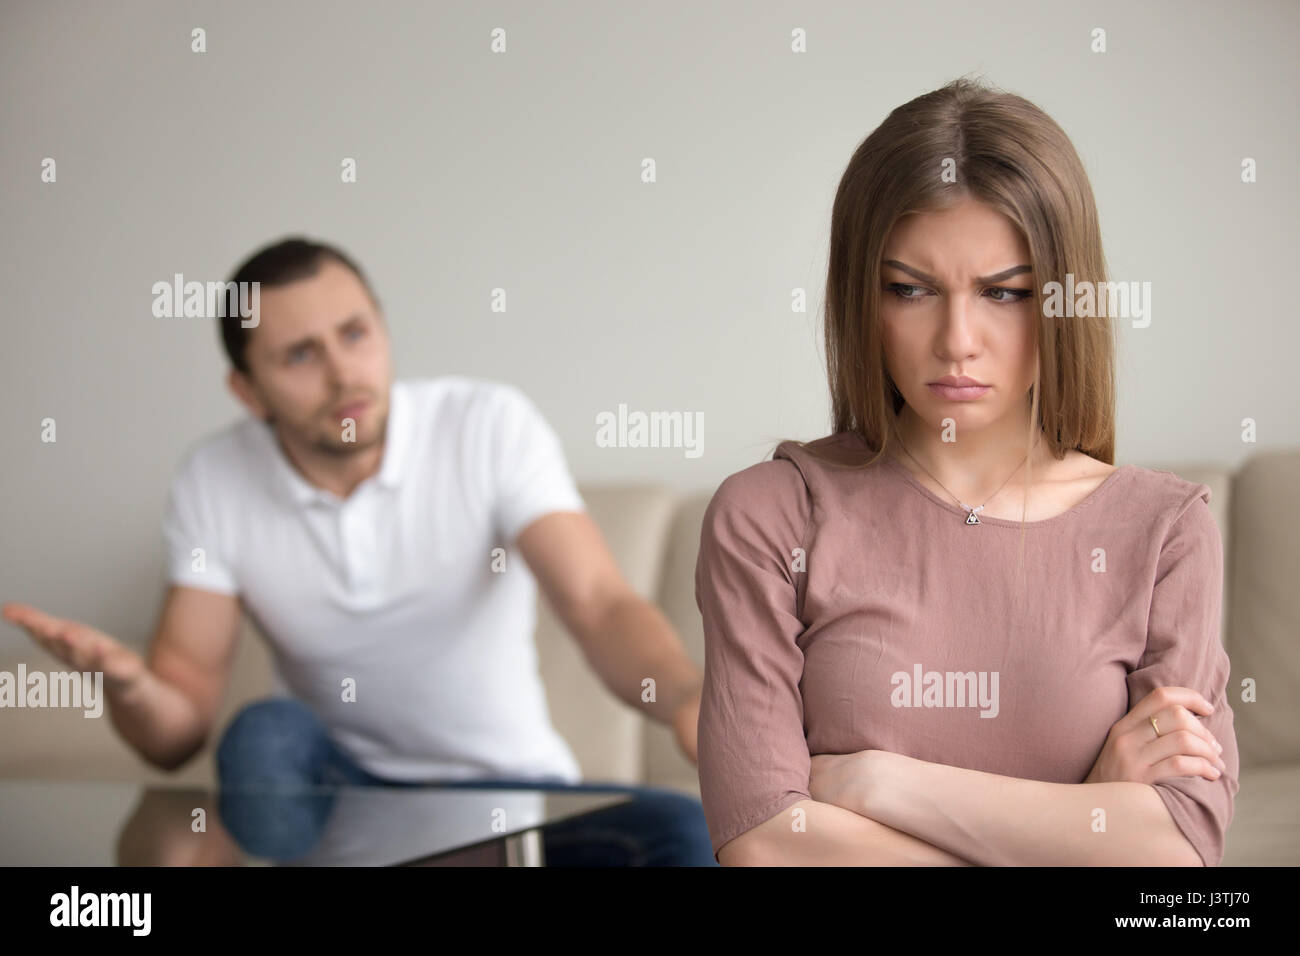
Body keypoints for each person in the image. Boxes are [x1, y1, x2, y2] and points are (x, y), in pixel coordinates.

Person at [4, 237, 715, 866]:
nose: (344, 375)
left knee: (676, 830)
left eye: (355, 334)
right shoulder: (214, 478)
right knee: (264, 736)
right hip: (344, 805)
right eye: (301, 355)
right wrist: (129, 687)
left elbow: (598, 603)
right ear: (247, 390)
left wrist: (685, 695)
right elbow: (175, 731)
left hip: (514, 798)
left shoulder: (486, 424)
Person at [694, 77, 1238, 866]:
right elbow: (766, 845)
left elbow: (1178, 859)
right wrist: (1088, 813)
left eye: (1004, 293)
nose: (956, 339)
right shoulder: (772, 515)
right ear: (861, 296)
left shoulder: (1166, 531)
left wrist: (881, 784)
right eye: (910, 289)